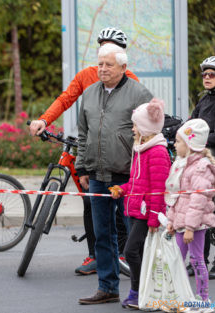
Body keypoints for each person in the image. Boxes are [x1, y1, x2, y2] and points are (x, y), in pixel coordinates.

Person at [29, 27, 137, 275]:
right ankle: (95, 256)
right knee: (92, 202)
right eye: (103, 47)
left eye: (112, 49)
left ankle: (124, 255)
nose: (106, 54)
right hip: (91, 148)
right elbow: (65, 99)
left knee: (120, 204)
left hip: (119, 154)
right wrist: (44, 121)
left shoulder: (130, 80)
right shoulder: (86, 75)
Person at [76, 43, 153, 305]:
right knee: (102, 235)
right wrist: (82, 167)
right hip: (98, 175)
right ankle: (107, 287)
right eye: (100, 64)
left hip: (129, 177)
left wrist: (142, 174)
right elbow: (83, 134)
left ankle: (143, 289)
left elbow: (151, 134)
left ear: (123, 67)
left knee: (134, 237)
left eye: (109, 64)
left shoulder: (139, 93)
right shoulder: (88, 93)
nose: (103, 69)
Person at [109, 99, 171, 308]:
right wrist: (122, 189)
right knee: (139, 253)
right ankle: (145, 292)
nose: (133, 128)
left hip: (147, 214)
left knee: (130, 251)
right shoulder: (141, 149)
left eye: (135, 125)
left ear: (145, 127)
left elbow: (158, 189)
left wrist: (154, 218)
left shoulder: (157, 152)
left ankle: (137, 291)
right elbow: (136, 182)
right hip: (137, 210)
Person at [166, 119, 215, 308]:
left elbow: (198, 202)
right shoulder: (182, 164)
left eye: (178, 141)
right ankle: (180, 295)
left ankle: (202, 298)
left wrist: (189, 228)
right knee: (177, 261)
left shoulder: (201, 168)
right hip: (180, 223)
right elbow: (176, 197)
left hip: (194, 225)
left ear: (189, 145)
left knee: (196, 260)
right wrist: (171, 220)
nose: (175, 145)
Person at [193, 56, 215, 279]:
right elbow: (191, 124)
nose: (207, 78)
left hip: (214, 161)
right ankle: (199, 259)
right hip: (202, 162)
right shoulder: (204, 100)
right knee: (202, 212)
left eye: (212, 74)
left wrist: (201, 139)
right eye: (205, 75)